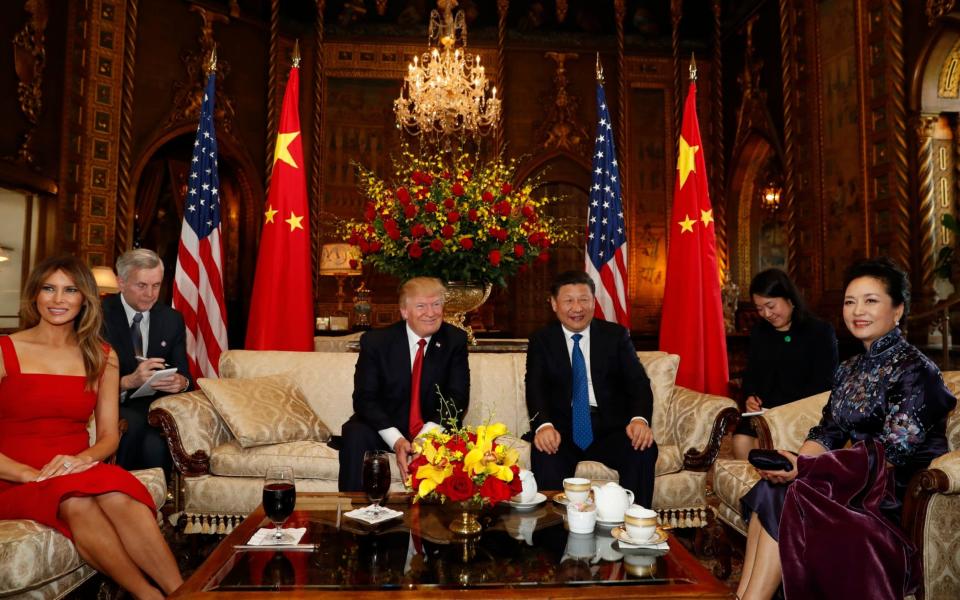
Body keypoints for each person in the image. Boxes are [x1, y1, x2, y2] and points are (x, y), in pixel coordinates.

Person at [736, 258, 956, 600]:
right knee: (775, 490)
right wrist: (799, 462)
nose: (857, 311)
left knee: (793, 494)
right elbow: (828, 431)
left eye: (871, 301)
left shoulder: (917, 371)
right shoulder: (850, 369)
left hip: (891, 496)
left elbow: (892, 454)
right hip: (851, 480)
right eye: (850, 301)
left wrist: (808, 469)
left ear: (898, 309)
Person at [0, 256, 183, 599]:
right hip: (12, 475)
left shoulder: (102, 355)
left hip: (73, 465)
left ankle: (182, 593)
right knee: (76, 502)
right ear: (34, 295)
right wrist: (27, 474)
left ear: (85, 297)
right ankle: (148, 596)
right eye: (48, 289)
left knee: (118, 492)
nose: (58, 300)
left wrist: (80, 459)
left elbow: (110, 436)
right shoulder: (4, 350)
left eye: (70, 290)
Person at [525, 270, 658, 508]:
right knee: (544, 453)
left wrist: (639, 420)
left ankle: (635, 528)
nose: (577, 308)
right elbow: (535, 388)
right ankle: (552, 536)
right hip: (562, 430)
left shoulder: (615, 336)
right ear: (554, 304)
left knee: (642, 449)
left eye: (584, 300)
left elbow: (638, 383)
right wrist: (543, 426)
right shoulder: (542, 340)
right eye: (568, 300)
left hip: (611, 429)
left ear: (593, 302)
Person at [338, 277, 470, 491]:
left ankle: (439, 520)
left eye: (436, 304)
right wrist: (397, 440)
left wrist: (426, 437)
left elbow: (457, 397)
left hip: (432, 427)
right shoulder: (377, 342)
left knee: (457, 439)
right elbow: (364, 398)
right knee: (355, 433)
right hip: (386, 427)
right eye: (421, 306)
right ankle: (355, 512)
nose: (431, 312)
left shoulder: (455, 340)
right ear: (404, 311)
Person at [733, 268, 838, 460]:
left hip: (800, 414)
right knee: (741, 440)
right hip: (764, 413)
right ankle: (754, 489)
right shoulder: (760, 332)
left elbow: (824, 385)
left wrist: (784, 412)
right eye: (759, 308)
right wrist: (750, 397)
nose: (766, 314)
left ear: (789, 298)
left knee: (762, 445)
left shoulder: (819, 332)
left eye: (770, 305)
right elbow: (751, 375)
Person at [101, 249, 191, 472]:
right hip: (110, 405)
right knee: (139, 429)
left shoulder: (171, 319)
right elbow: (84, 375)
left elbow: (186, 376)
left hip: (156, 409)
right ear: (121, 282)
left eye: (156, 285)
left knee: (157, 442)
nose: (150, 294)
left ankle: (150, 502)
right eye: (141, 285)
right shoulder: (97, 315)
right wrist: (127, 382)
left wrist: (181, 383)